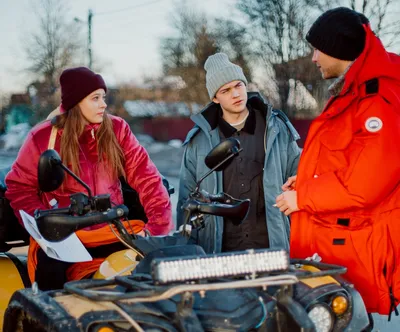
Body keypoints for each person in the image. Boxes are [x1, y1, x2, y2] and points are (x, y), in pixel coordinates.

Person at [275, 7, 400, 316]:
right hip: (338, 244)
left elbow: (364, 185)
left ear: (338, 49)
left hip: (357, 248)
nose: (314, 58)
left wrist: (303, 197)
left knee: (347, 319)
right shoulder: (351, 94)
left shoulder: (376, 102)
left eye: (318, 49)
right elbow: (341, 161)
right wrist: (303, 181)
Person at [5, 67, 173, 290]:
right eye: (95, 98)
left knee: (154, 277)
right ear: (75, 102)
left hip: (113, 229)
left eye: (103, 97)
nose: (103, 104)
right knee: (51, 293)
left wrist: (157, 230)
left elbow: (148, 178)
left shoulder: (117, 129)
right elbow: (19, 188)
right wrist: (45, 225)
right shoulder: (42, 137)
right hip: (66, 238)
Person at [177, 53, 301, 254]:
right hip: (218, 251)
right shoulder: (198, 141)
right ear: (215, 98)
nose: (235, 94)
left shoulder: (277, 129)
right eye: (226, 90)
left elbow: (299, 179)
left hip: (272, 246)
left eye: (238, 86)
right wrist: (186, 249)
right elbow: (186, 199)